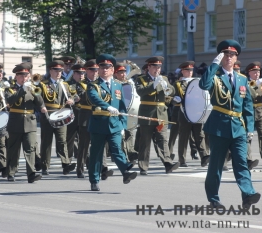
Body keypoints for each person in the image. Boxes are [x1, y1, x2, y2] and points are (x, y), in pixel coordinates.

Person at [199, 39, 260, 209]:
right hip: (219, 127)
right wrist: (213, 65)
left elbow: (247, 105)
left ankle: (248, 195)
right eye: (225, 54)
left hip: (238, 128)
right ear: (221, 56)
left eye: (232, 54)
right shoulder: (215, 76)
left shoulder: (241, 79)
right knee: (216, 166)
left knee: (241, 163)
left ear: (236, 58)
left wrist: (250, 128)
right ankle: (213, 198)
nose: (228, 57)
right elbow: (203, 84)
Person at [87, 54, 137, 191]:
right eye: (101, 67)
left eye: (107, 67)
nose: (104, 69)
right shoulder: (94, 85)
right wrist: (107, 106)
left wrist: (123, 124)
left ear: (112, 69)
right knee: (96, 154)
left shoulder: (118, 85)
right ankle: (94, 180)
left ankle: (126, 171)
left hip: (114, 124)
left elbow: (122, 107)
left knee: (117, 149)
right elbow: (94, 98)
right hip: (98, 124)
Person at [135, 56, 179, 175]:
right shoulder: (142, 79)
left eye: (159, 67)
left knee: (162, 139)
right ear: (149, 67)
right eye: (154, 66)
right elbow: (140, 91)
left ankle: (168, 163)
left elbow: (172, 91)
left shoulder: (163, 78)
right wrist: (153, 84)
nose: (157, 69)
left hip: (161, 115)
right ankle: (143, 166)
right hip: (147, 114)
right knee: (145, 141)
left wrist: (167, 87)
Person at [5, 63, 46, 183]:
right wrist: (22, 90)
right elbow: (10, 101)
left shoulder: (32, 88)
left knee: (30, 149)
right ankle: (11, 172)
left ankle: (31, 173)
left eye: (26, 76)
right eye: (22, 76)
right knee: (13, 150)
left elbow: (39, 102)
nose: (24, 78)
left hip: (30, 122)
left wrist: (35, 93)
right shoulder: (10, 89)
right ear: (16, 76)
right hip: (15, 122)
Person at [38, 60, 76, 175]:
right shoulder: (43, 84)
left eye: (60, 70)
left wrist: (71, 101)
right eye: (56, 70)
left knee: (62, 140)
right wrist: (41, 107)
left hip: (61, 114)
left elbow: (70, 97)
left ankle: (66, 164)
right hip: (47, 116)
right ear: (50, 71)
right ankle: (45, 165)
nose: (59, 72)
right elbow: (38, 98)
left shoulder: (64, 85)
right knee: (46, 142)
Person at [173, 61, 210, 167]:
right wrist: (176, 99)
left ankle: (204, 157)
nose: (190, 72)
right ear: (182, 71)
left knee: (200, 135)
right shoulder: (179, 84)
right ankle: (182, 159)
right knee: (184, 137)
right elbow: (178, 97)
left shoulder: (198, 82)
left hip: (197, 112)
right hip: (185, 113)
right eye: (187, 70)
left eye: (191, 70)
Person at [66, 64, 85, 164]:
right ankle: (67, 162)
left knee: (84, 138)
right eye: (79, 73)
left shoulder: (86, 84)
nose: (81, 75)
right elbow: (73, 97)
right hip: (73, 113)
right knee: (70, 138)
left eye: (83, 73)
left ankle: (83, 160)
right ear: (74, 74)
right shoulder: (68, 84)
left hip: (84, 113)